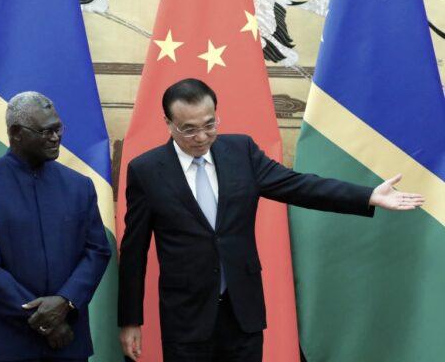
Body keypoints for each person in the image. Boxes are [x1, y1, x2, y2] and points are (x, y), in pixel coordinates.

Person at [117, 78, 424, 362]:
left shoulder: (241, 151)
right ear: (168, 124)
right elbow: (134, 252)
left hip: (243, 312)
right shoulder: (147, 171)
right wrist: (130, 320)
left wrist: (368, 195)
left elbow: (299, 186)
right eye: (188, 129)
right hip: (186, 318)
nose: (201, 136)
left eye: (210, 125)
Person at [0, 91, 111, 362]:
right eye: (45, 131)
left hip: (68, 341)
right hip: (7, 343)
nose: (56, 138)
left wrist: (66, 301)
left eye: (58, 128)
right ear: (16, 132)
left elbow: (97, 251)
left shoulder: (80, 186)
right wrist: (45, 320)